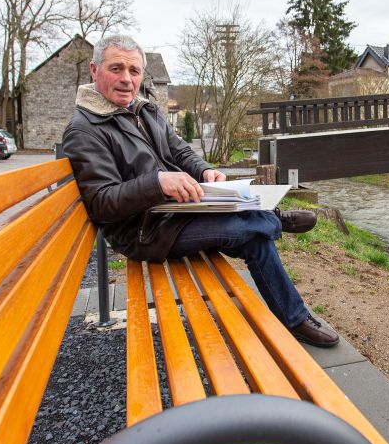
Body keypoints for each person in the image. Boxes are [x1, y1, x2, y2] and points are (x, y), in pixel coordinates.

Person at [62, 34, 338, 347]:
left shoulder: (145, 111)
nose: (127, 79)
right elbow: (101, 203)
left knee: (253, 236)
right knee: (248, 231)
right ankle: (276, 223)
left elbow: (179, 150)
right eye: (117, 68)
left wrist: (204, 170)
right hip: (144, 231)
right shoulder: (84, 129)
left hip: (176, 212)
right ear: (94, 70)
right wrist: (157, 182)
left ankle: (294, 316)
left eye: (134, 71)